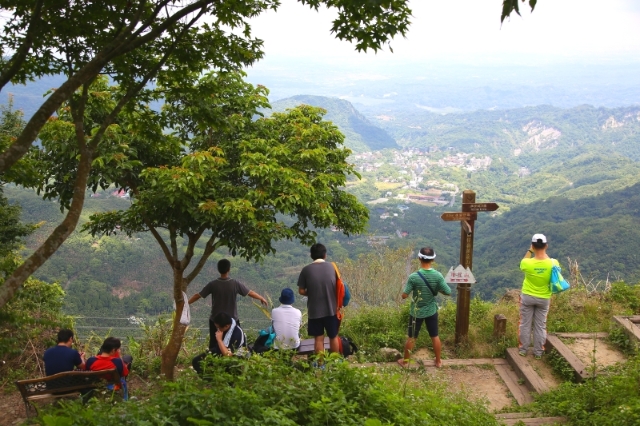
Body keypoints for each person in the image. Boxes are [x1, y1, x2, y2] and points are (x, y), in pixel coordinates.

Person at [189, 258, 267, 349]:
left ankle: (213, 360)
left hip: (216, 321)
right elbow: (250, 292)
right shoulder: (235, 284)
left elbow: (198, 295)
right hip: (232, 320)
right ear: (229, 269)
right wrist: (261, 297)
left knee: (214, 343)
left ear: (218, 270)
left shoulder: (213, 284)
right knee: (236, 343)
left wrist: (186, 303)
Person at [399, 247, 451, 368]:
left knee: (412, 337)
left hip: (416, 311)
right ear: (432, 259)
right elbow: (448, 291)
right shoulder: (438, 276)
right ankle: (438, 361)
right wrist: (437, 289)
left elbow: (404, 295)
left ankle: (405, 361)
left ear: (419, 258)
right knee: (434, 336)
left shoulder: (413, 277)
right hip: (431, 310)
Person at [519, 233, 559, 359]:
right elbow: (552, 265)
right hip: (544, 298)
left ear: (533, 246)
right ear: (546, 246)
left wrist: (530, 250)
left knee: (525, 324)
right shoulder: (553, 263)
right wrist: (543, 252)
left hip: (527, 297)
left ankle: (523, 350)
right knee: (540, 325)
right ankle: (538, 352)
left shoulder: (527, 263)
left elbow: (523, 262)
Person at [297, 243, 340, 354]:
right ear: (325, 255)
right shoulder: (332, 267)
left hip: (315, 311)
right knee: (333, 336)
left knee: (318, 338)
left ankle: (320, 365)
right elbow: (338, 286)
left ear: (311, 255)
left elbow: (301, 291)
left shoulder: (306, 270)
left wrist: (312, 293)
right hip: (331, 309)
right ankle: (335, 363)